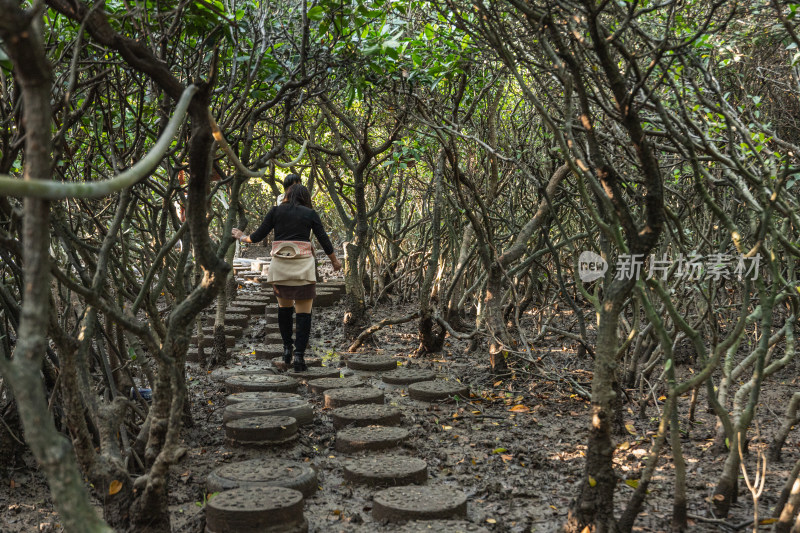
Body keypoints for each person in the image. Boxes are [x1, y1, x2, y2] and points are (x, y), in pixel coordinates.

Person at [232, 184, 342, 371]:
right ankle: (299, 356)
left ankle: (286, 351)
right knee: (304, 314)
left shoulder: (275, 211)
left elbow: (257, 236)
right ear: (305, 198)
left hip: (281, 269)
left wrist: (242, 237)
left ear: (287, 195)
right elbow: (324, 240)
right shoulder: (310, 214)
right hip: (303, 270)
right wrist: (335, 262)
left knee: (284, 311)